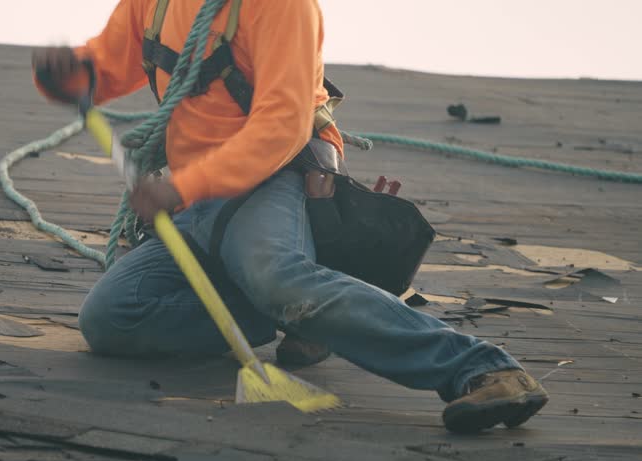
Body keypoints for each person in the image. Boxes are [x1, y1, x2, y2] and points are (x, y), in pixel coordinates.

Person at [31, 0, 548, 433]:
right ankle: (289, 315)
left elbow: (281, 128)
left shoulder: (283, 6)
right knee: (111, 317)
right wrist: (68, 73)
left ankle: (483, 369)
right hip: (197, 193)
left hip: (279, 175)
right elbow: (108, 65)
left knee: (275, 276)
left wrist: (182, 187)